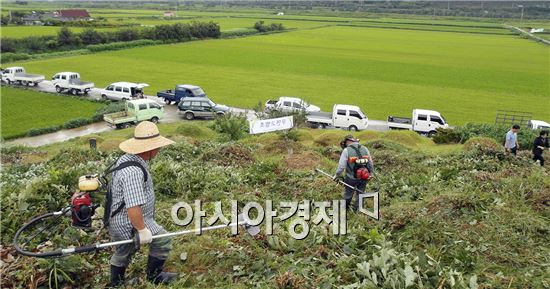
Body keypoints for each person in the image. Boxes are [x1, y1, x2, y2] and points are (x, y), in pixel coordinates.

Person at [108, 121, 176, 287]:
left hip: (123, 218)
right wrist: (142, 229)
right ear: (150, 148)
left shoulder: (129, 158)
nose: (159, 149)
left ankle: (116, 282)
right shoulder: (133, 172)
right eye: (157, 146)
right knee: (162, 239)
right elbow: (133, 207)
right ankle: (154, 276)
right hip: (128, 222)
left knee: (124, 251)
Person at [333, 135, 374, 211]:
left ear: (348, 142)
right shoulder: (365, 149)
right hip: (364, 176)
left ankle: (345, 209)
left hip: (351, 177)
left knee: (348, 193)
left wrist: (337, 175)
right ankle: (357, 209)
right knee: (361, 193)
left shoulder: (346, 150)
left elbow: (341, 166)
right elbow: (370, 163)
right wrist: (371, 173)